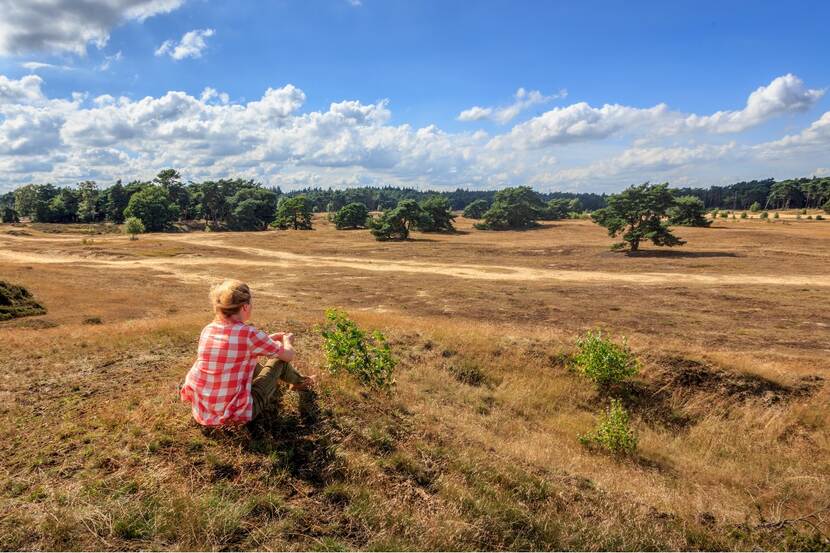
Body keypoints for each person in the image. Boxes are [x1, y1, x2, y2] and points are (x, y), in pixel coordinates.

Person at [180, 279, 315, 427]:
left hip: (204, 412)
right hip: (236, 414)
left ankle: (294, 382)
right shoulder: (248, 334)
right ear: (244, 307)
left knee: (253, 362)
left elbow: (236, 349)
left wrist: (268, 340)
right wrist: (287, 341)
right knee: (279, 361)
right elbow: (289, 355)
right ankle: (300, 382)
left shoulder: (209, 329)